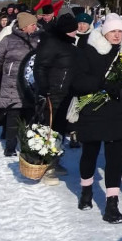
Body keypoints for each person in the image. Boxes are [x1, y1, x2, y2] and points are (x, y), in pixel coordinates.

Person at [70, 13, 122, 224]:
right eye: (112, 31)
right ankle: (86, 191)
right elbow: (77, 82)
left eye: (120, 31)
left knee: (115, 159)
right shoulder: (89, 51)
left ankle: (111, 205)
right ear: (104, 32)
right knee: (90, 153)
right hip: (94, 112)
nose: (117, 35)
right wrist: (103, 84)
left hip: (119, 113)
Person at [0, 12, 42, 157]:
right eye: (32, 24)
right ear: (23, 26)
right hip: (12, 83)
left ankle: (28, 147)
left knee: (31, 117)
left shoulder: (41, 40)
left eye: (35, 24)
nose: (35, 27)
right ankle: (10, 146)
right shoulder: (8, 40)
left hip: (32, 85)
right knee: (13, 116)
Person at [33, 11, 80, 179]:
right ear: (65, 31)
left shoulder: (70, 45)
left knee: (58, 130)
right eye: (73, 30)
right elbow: (40, 66)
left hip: (66, 94)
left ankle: (53, 162)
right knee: (49, 129)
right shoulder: (52, 43)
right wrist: (44, 88)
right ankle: (45, 165)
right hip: (52, 93)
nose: (75, 32)